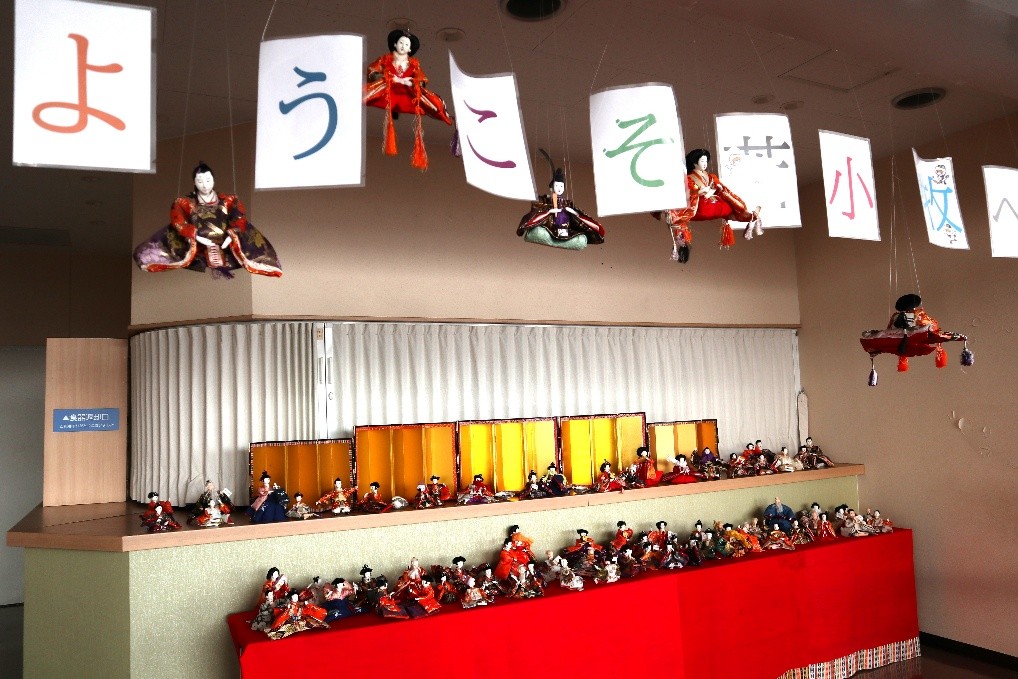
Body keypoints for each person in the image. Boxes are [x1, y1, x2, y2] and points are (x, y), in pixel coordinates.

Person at [134, 162, 281, 279]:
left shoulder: (229, 200)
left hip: (226, 242)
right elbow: (179, 221)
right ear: (194, 182)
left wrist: (230, 237)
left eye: (208, 180)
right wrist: (196, 236)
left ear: (214, 180)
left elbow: (238, 218)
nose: (204, 185)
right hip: (196, 243)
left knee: (254, 246)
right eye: (200, 181)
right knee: (158, 248)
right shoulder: (185, 202)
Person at [653, 148, 762, 263]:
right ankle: (681, 240)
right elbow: (689, 192)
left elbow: (723, 189)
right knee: (697, 211)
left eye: (706, 161)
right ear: (695, 162)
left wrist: (720, 190)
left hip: (713, 200)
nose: (705, 164)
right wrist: (700, 191)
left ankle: (748, 216)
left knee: (730, 207)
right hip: (700, 205)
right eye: (702, 161)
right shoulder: (689, 178)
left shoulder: (711, 177)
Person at [363, 30, 452, 169]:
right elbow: (372, 72)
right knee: (362, 92)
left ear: (410, 49)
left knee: (433, 102)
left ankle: (443, 114)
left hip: (407, 91)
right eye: (401, 43)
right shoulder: (384, 59)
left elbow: (422, 80)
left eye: (406, 44)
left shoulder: (413, 64)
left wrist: (410, 82)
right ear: (395, 44)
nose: (403, 46)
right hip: (387, 87)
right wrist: (388, 78)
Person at [518, 152, 606, 250]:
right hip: (551, 228)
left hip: (567, 230)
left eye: (561, 186)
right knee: (538, 232)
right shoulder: (546, 200)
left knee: (581, 240)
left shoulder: (568, 203)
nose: (559, 188)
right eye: (557, 185)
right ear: (552, 187)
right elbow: (536, 214)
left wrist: (574, 213)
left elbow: (579, 218)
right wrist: (549, 211)